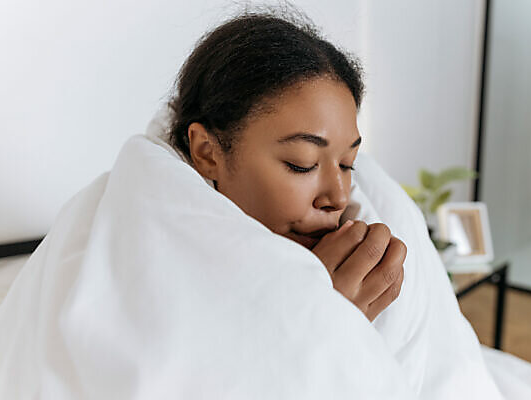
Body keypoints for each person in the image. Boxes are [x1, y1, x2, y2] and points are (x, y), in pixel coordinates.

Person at [166, 11, 406, 322]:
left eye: (348, 165)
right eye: (302, 164)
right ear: (207, 152)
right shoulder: (156, 278)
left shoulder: (375, 226)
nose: (338, 198)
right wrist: (322, 321)